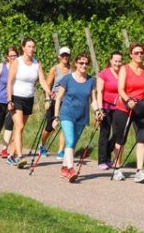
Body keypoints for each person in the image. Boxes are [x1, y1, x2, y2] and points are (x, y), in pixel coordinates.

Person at [52, 52, 101, 182]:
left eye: (86, 63)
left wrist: (97, 111)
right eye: (81, 63)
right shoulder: (67, 79)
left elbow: (93, 100)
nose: (84, 65)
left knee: (72, 143)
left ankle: (64, 168)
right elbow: (58, 99)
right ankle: (71, 169)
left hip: (82, 117)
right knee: (70, 140)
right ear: (75, 64)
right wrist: (56, 117)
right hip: (67, 114)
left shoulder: (91, 80)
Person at [5, 37, 51, 168]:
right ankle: (20, 156)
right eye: (29, 46)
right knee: (18, 126)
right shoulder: (17, 62)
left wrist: (49, 92)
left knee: (20, 128)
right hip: (16, 97)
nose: (31, 49)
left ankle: (11, 155)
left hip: (28, 98)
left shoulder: (37, 64)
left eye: (33, 47)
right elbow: (9, 82)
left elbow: (42, 80)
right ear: (23, 48)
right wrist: (9, 100)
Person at [112, 42, 144, 183]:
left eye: (141, 53)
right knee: (121, 138)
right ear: (131, 55)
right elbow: (120, 89)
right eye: (136, 53)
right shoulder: (125, 69)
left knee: (142, 138)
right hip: (125, 108)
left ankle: (139, 171)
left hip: (141, 108)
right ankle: (117, 167)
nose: (139, 55)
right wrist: (128, 100)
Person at [40, 46, 71, 159]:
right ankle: (42, 145)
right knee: (50, 126)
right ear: (59, 56)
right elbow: (47, 85)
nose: (65, 57)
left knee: (65, 126)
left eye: (67, 55)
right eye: (63, 55)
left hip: (67, 101)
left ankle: (60, 151)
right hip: (54, 100)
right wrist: (47, 99)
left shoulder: (71, 69)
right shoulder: (55, 69)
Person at [0, 46, 18, 157]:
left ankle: (5, 149)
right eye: (11, 56)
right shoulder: (2, 66)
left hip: (13, 100)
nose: (13, 58)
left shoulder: (19, 68)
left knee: (9, 124)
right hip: (0, 100)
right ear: (7, 57)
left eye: (15, 55)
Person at [96, 51, 123, 169]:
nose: (117, 63)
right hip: (106, 107)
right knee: (104, 133)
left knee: (118, 133)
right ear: (111, 61)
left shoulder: (123, 73)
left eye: (119, 61)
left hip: (119, 107)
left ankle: (107, 152)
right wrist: (99, 109)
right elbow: (99, 92)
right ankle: (102, 160)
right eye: (115, 61)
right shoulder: (104, 74)